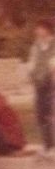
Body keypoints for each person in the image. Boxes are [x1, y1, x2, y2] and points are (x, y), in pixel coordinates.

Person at [26, 19, 55, 158]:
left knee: (51, 114)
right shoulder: (36, 46)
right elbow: (32, 63)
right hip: (39, 84)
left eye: (40, 29)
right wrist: (31, 75)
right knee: (41, 115)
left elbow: (53, 64)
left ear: (47, 30)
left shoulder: (53, 45)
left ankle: (53, 145)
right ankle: (47, 144)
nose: (37, 31)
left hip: (51, 83)